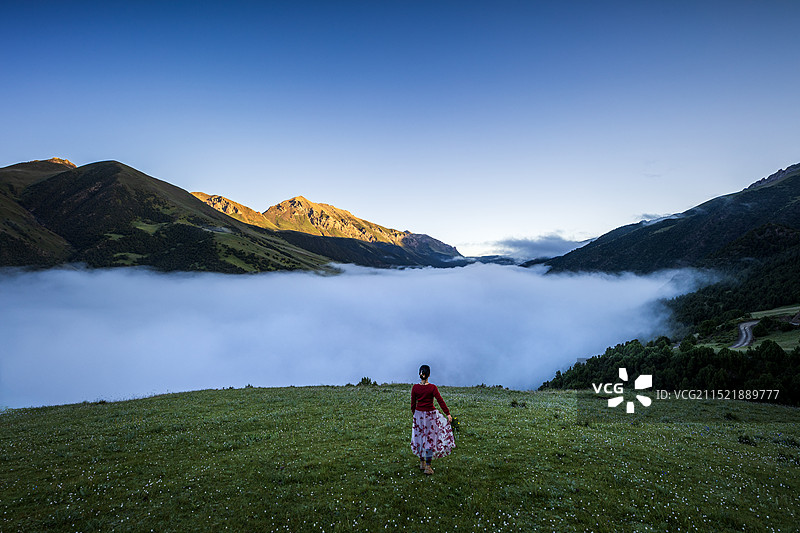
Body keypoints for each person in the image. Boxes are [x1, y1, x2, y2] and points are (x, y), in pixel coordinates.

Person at [411, 364, 454, 475]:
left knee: (420, 438)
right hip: (430, 416)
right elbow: (440, 401)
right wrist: (447, 413)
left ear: (420, 374)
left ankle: (422, 463)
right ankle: (428, 467)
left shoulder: (415, 388)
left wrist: (415, 414)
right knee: (430, 440)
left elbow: (413, 404)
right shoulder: (432, 388)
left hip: (419, 415)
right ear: (429, 374)